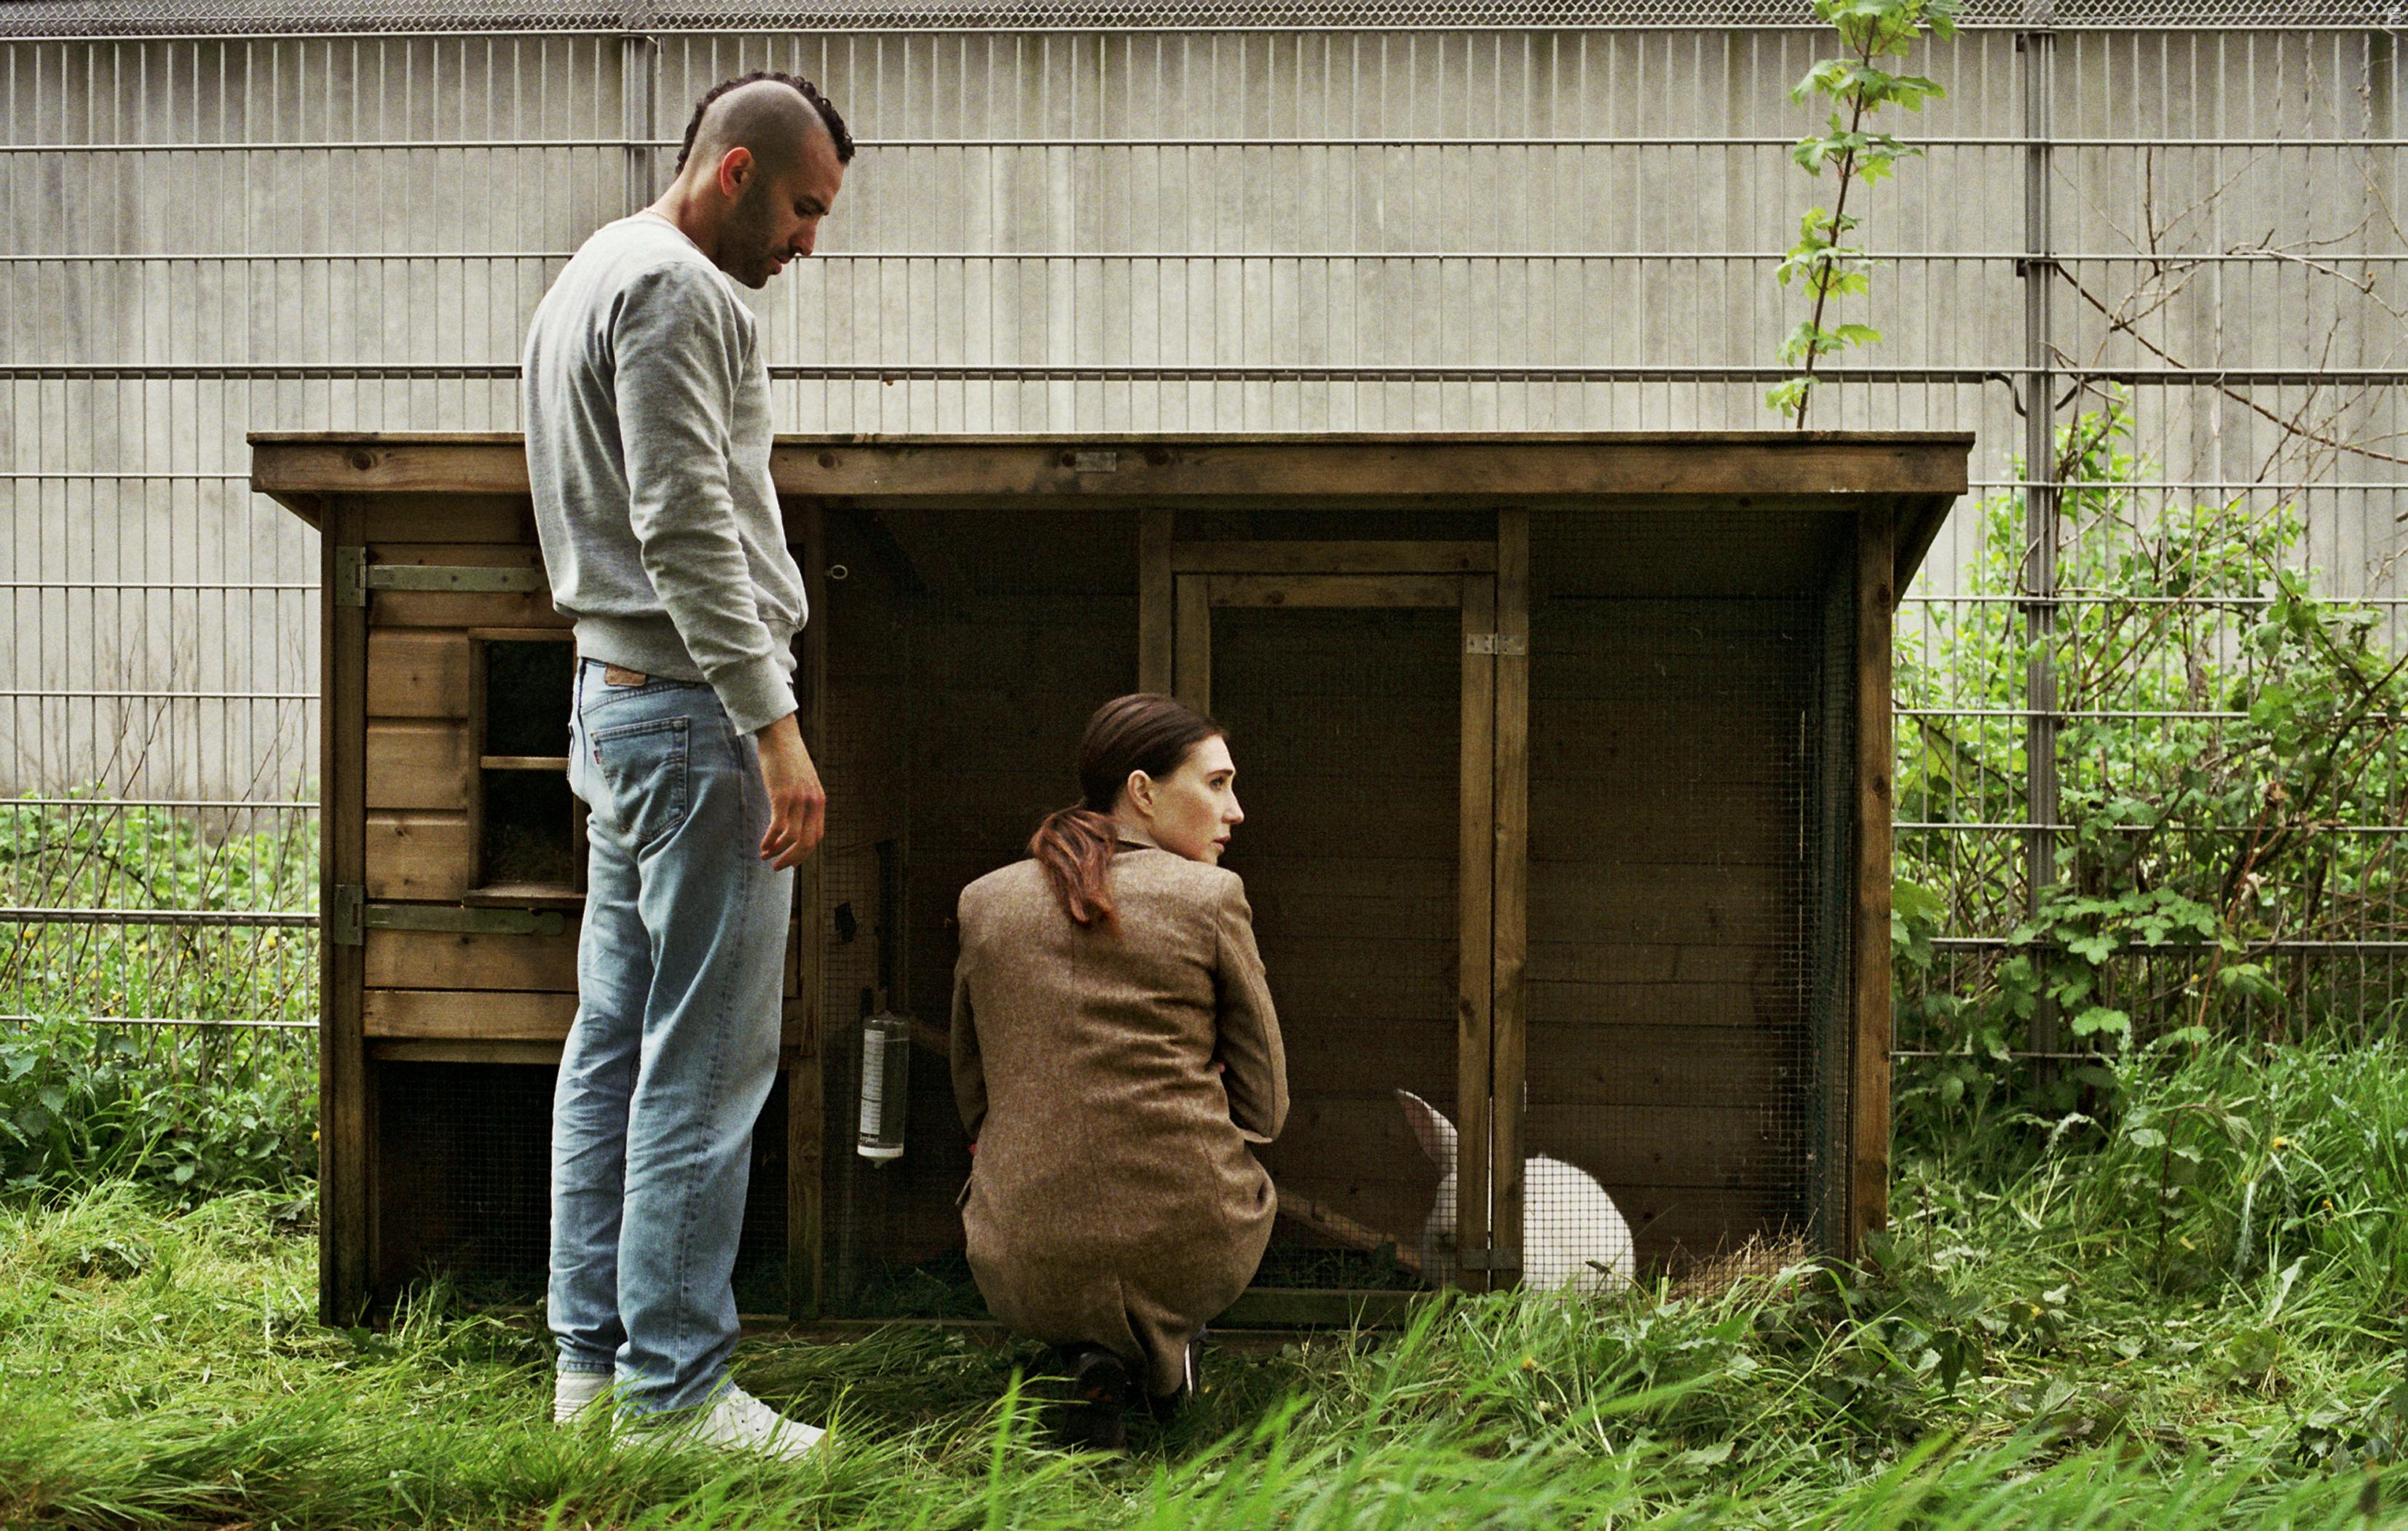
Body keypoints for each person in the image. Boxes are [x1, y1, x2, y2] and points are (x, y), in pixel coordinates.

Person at [521, 70, 853, 1457]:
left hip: (616, 699)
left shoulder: (588, 271)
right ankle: (673, 1392)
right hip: (696, 713)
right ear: (735, 171)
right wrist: (774, 726)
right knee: (706, 1057)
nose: (809, 241)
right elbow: (685, 525)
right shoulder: (676, 288)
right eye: (803, 206)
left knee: (614, 1037)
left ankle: (592, 1375)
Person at [950, 693, 1289, 1449]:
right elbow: (1266, 1105)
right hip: (1190, 1244)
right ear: (1142, 791)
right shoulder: (1211, 897)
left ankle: (1088, 1357)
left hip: (1019, 1253)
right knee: (1212, 1191)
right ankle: (1168, 1362)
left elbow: (971, 1089)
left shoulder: (985, 901)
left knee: (1052, 1213)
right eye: (1217, 783)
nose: (1234, 810)